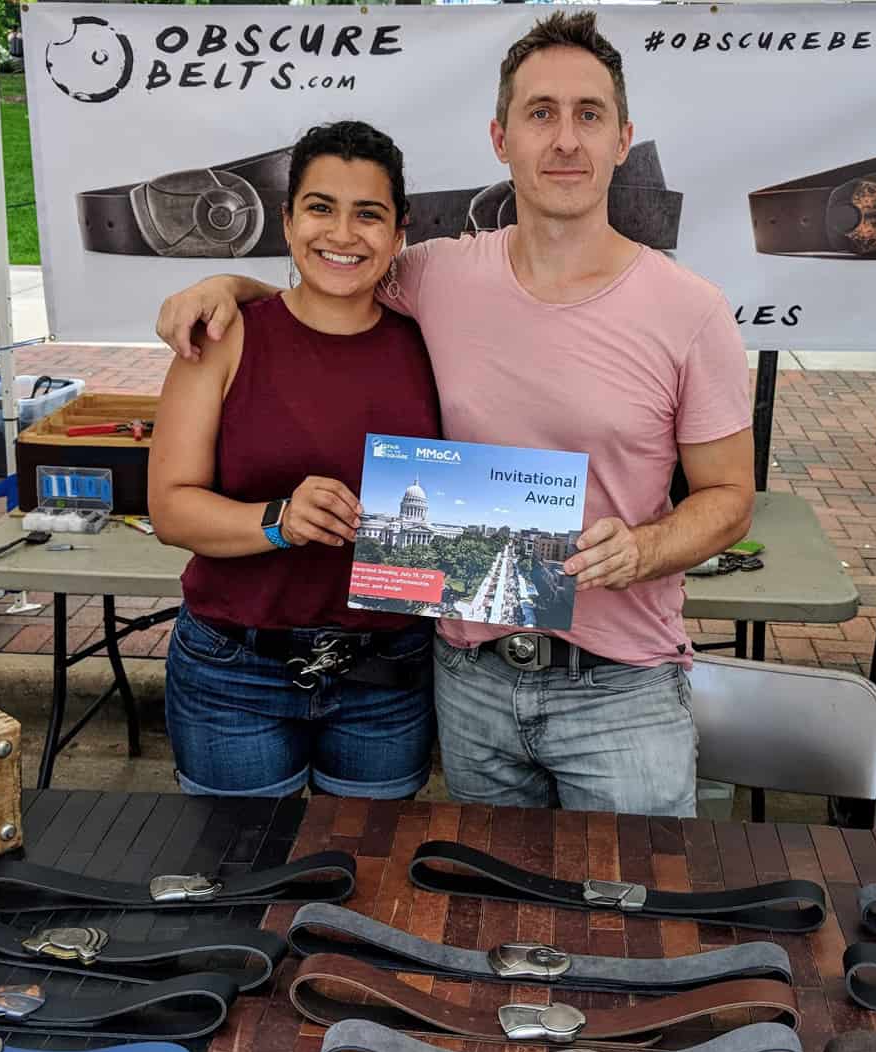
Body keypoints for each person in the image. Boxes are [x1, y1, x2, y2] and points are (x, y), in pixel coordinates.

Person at [154, 12, 755, 817]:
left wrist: (645, 547)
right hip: (470, 677)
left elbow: (728, 499)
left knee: (628, 914)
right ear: (500, 137)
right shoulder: (439, 276)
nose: (565, 140)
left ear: (623, 137)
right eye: (541, 113)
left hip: (620, 686)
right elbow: (329, 282)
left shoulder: (691, 310)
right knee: (482, 912)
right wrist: (227, 288)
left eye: (588, 115)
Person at [148, 120, 441, 800]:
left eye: (367, 215)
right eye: (319, 208)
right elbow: (170, 507)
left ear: (399, 234)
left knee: (366, 878)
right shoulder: (225, 336)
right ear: (286, 221)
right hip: (235, 668)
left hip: (387, 671)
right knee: (237, 881)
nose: (342, 234)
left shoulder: (432, 344)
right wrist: (279, 520)